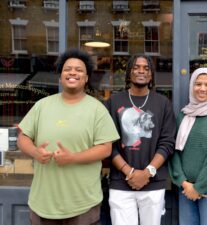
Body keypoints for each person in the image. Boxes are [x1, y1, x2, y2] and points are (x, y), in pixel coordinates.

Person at [17, 48, 120, 225]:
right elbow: (23, 137)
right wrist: (35, 152)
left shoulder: (97, 110)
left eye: (79, 70)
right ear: (60, 76)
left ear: (86, 78)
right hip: (43, 203)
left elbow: (105, 149)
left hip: (82, 204)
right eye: (67, 69)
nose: (72, 72)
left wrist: (72, 158)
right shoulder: (42, 105)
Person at [105, 54, 176, 225]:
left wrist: (147, 172)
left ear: (151, 74)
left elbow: (167, 143)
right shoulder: (114, 101)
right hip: (120, 183)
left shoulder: (162, 103)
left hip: (153, 182)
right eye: (136, 67)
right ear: (129, 72)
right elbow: (108, 144)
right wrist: (129, 172)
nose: (141, 71)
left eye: (146, 68)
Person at [169, 67, 207, 225]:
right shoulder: (184, 115)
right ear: (192, 86)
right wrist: (184, 183)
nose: (202, 88)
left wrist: (199, 188)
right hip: (186, 189)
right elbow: (174, 152)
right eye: (198, 84)